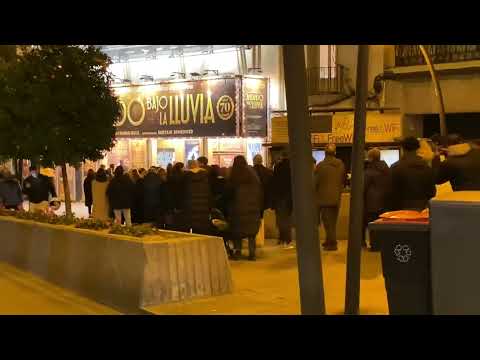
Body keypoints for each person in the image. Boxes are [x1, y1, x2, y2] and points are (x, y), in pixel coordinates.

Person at [225, 155, 262, 261]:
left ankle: (238, 252)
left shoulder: (234, 174)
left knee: (237, 232)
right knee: (251, 233)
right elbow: (259, 191)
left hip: (237, 208)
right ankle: (252, 253)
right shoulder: (252, 174)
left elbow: (228, 191)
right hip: (252, 208)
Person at [314, 144, 346, 251]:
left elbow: (315, 182)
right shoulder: (341, 165)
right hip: (336, 197)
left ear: (324, 153)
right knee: (333, 222)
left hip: (324, 198)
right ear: (335, 152)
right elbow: (343, 180)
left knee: (328, 223)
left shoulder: (320, 166)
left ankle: (332, 244)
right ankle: (328, 241)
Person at [390, 136, 436, 211]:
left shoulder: (395, 167)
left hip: (401, 209)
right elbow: (432, 192)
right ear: (417, 149)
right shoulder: (426, 167)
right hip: (422, 207)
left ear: (403, 148)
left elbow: (392, 191)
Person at [364, 148, 392, 251]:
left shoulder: (369, 171)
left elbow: (363, 187)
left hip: (372, 202)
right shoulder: (387, 169)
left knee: (373, 225)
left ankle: (375, 245)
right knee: (383, 225)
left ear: (370, 158)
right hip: (385, 202)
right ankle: (383, 244)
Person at [271, 152, 293, 248]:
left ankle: (281, 238)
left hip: (279, 197)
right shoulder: (292, 167)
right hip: (289, 197)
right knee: (287, 219)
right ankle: (287, 239)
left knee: (280, 219)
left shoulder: (277, 167)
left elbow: (274, 182)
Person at [184, 160, 212, 235]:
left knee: (193, 228)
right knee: (202, 230)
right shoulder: (205, 176)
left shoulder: (186, 176)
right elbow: (209, 193)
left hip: (190, 207)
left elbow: (184, 193)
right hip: (203, 207)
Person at [167, 162, 189, 232]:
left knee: (174, 223)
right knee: (182, 222)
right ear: (181, 168)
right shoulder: (184, 177)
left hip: (173, 202)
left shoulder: (170, 177)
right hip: (182, 202)